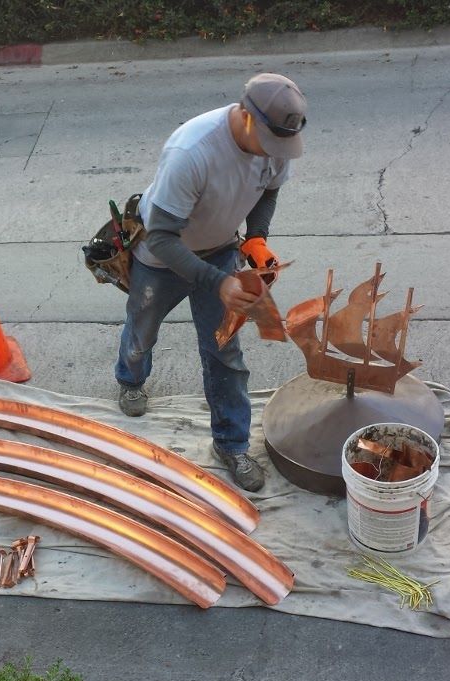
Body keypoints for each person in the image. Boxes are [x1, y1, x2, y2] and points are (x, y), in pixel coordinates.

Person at [115, 72, 307, 492]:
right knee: (142, 331)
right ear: (247, 117)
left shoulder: (276, 141)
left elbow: (269, 191)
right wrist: (218, 283)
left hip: (219, 249)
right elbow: (161, 237)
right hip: (161, 257)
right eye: (268, 143)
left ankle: (231, 443)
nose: (273, 154)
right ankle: (130, 380)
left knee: (225, 352)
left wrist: (256, 237)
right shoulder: (191, 151)